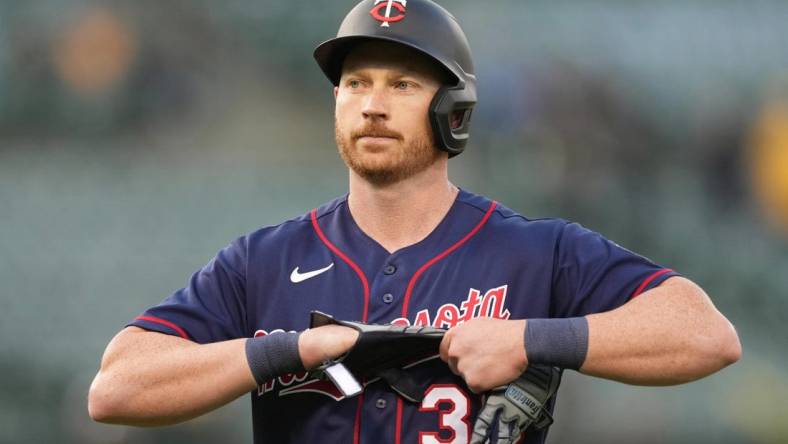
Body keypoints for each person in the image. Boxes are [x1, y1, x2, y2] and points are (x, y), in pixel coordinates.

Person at [87, 1, 742, 443]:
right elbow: (115, 387)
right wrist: (289, 351)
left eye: (402, 85)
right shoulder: (262, 260)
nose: (372, 104)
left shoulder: (536, 251)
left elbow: (703, 333)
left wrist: (531, 340)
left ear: (452, 111)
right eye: (356, 83)